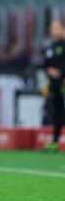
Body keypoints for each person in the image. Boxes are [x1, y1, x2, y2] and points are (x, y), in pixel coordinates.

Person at [42, 19, 65, 152]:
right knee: (57, 114)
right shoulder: (50, 47)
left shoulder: (63, 45)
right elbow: (45, 64)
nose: (54, 30)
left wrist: (61, 73)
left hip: (62, 84)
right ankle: (55, 142)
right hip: (54, 85)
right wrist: (48, 70)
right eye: (52, 27)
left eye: (57, 27)